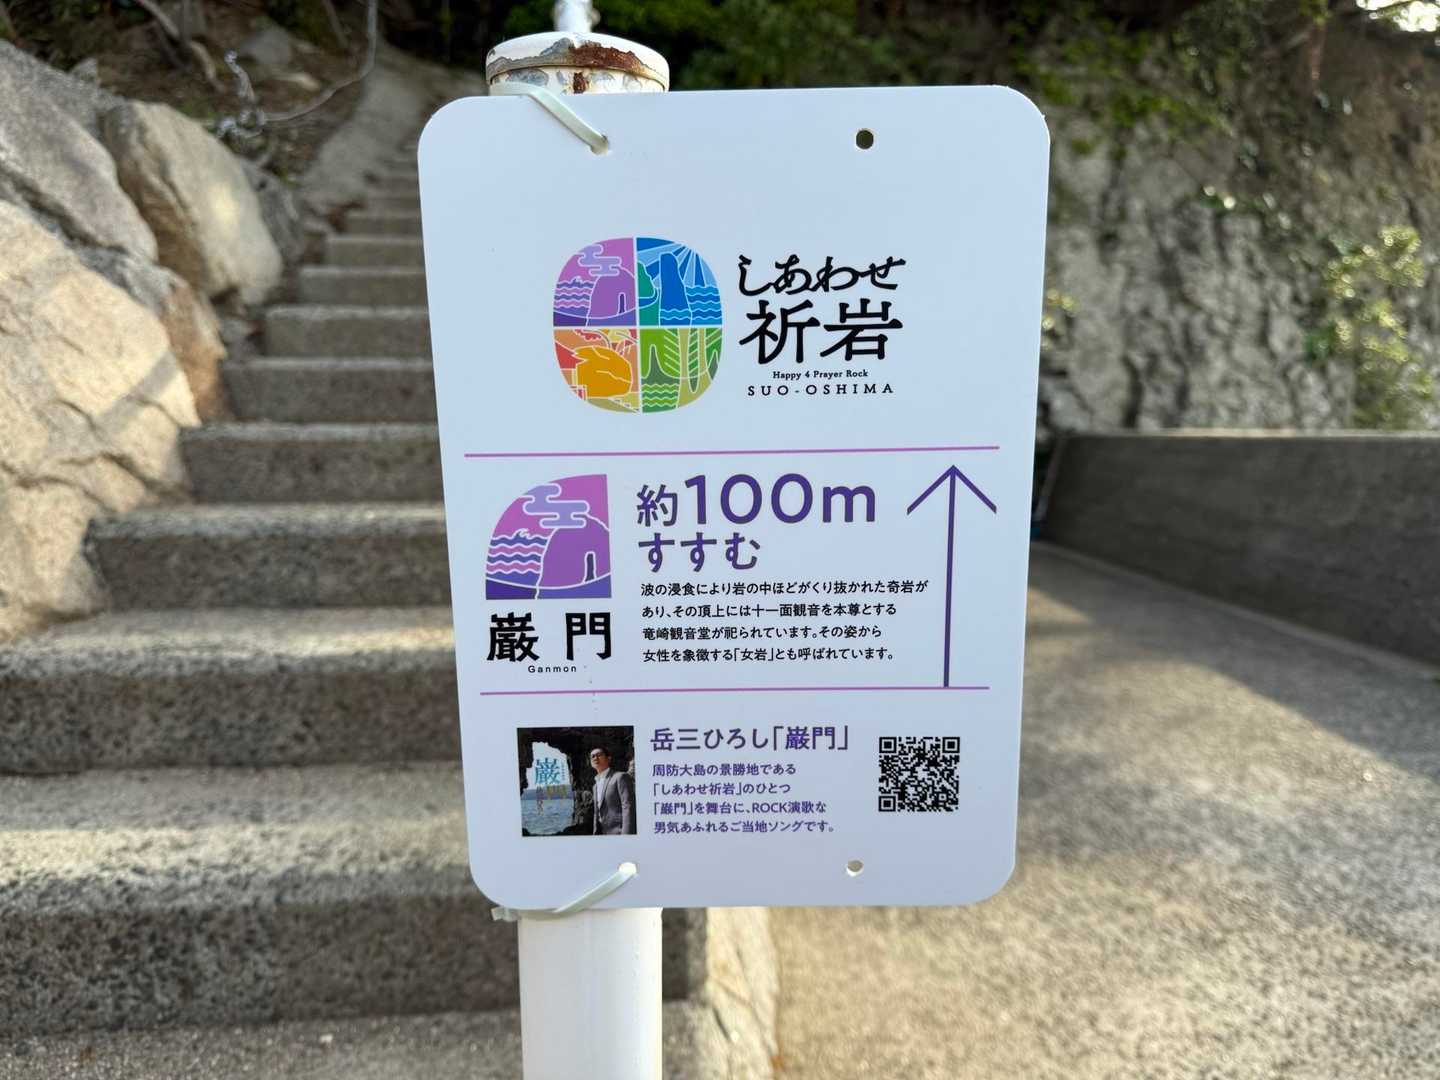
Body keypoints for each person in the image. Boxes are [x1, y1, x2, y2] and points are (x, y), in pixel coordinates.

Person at [590, 746, 635, 835]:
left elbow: (628, 807)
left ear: (608, 758)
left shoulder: (620, 777)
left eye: (599, 755)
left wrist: (627, 835)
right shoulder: (595, 786)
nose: (595, 758)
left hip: (618, 833)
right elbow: (597, 813)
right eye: (593, 756)